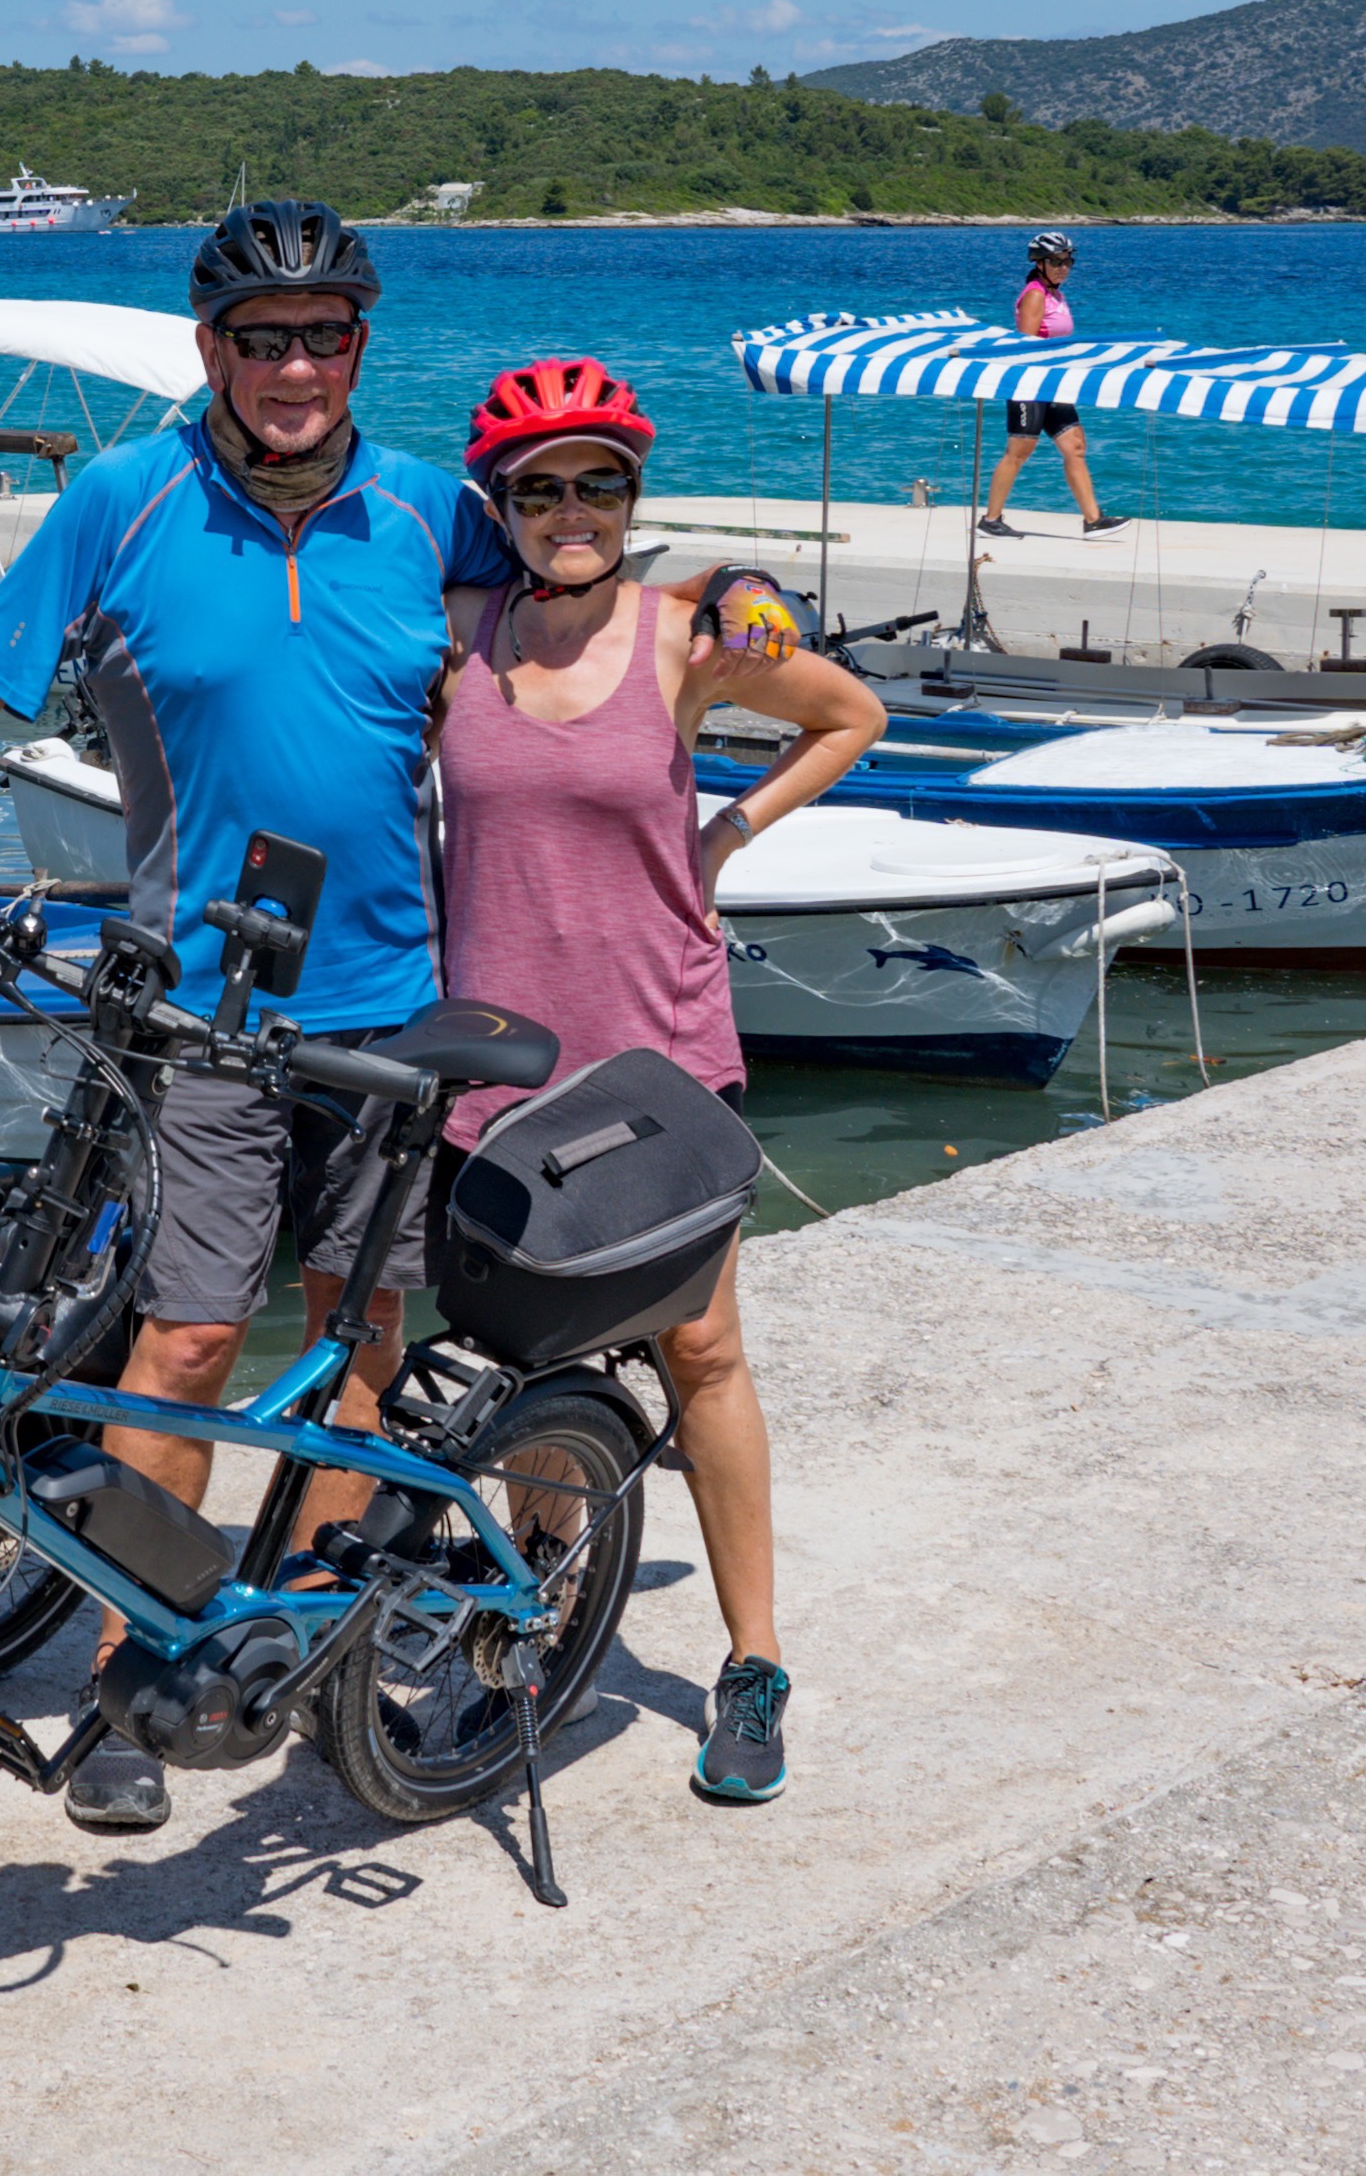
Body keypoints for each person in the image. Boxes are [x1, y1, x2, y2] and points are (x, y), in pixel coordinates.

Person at [0, 197, 523, 1836]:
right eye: (263, 340)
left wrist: (739, 606)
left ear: (360, 347)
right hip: (200, 1016)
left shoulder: (432, 510)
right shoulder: (127, 496)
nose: (295, 367)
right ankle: (132, 1668)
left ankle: (315, 1629)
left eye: (324, 335)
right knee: (182, 1344)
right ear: (210, 350)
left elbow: (577, 611)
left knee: (363, 1337)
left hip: (396, 1007)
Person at [432, 356, 883, 1807]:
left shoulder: (688, 638)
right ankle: (539, 1605)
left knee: (701, 1352)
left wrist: (725, 834)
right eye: (540, 490)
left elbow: (849, 715)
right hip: (499, 1058)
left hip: (658, 1050)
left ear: (632, 498)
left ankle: (752, 1660)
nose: (570, 511)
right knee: (532, 1361)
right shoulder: (457, 634)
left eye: (599, 485)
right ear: (499, 506)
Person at [978, 230, 1126, 537]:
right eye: (1056, 262)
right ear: (1040, 263)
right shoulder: (1035, 295)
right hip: (1028, 384)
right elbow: (1026, 347)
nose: (1063, 268)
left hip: (1053, 383)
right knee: (1019, 451)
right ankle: (990, 520)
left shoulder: (1056, 296)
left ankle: (1093, 520)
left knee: (1076, 446)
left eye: (1068, 262)